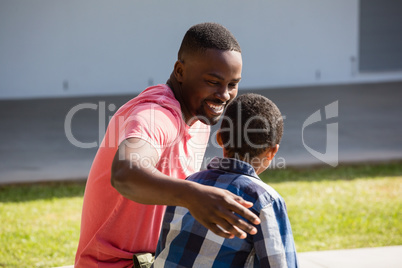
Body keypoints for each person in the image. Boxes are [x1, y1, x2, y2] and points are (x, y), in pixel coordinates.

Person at [75, 22, 261, 267]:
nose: (224, 94)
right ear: (180, 72)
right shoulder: (155, 114)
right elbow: (125, 173)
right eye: (213, 81)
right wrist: (195, 195)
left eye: (232, 84)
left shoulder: (200, 119)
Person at [154, 93, 299, 268]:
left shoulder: (188, 187)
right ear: (272, 152)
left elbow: (163, 251)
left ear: (220, 138)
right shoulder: (265, 201)